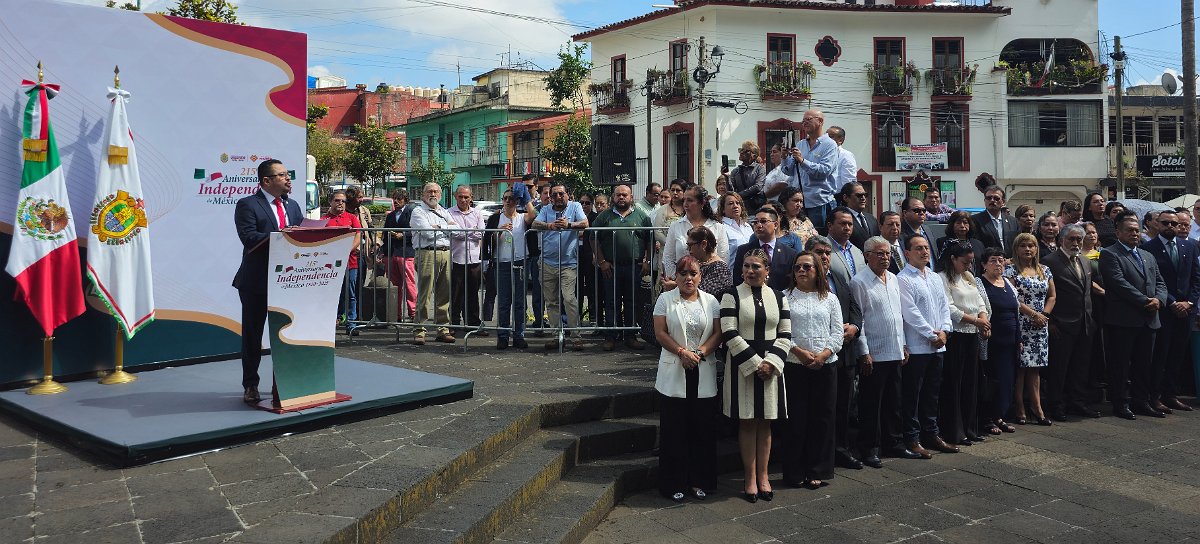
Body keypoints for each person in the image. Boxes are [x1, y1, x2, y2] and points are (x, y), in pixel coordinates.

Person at [721, 248, 791, 503]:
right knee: (748, 421)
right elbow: (729, 332)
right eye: (746, 266)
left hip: (772, 367)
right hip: (743, 367)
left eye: (756, 267)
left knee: (766, 422)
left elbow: (785, 333)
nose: (750, 271)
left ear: (767, 270)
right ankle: (749, 478)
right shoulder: (731, 295)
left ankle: (764, 476)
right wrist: (755, 363)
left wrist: (771, 363)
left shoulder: (779, 297)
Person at [653, 255, 722, 502]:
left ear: (700, 276)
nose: (688, 278)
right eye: (683, 274)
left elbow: (718, 333)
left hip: (702, 368)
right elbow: (660, 333)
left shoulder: (711, 301)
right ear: (676, 276)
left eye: (693, 273)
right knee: (674, 431)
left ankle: (699, 481)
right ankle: (673, 483)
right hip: (675, 368)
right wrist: (682, 352)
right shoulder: (665, 299)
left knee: (702, 430)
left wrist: (700, 353)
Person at [233, 159, 303, 404]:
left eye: (287, 173)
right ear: (266, 181)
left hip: (287, 282)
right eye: (282, 175)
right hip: (256, 282)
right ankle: (250, 384)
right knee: (253, 336)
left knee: (285, 335)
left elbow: (301, 237)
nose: (288, 178)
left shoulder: (293, 205)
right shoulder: (248, 204)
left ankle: (284, 382)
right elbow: (249, 238)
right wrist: (281, 236)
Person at [851, 236, 918, 466]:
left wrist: (904, 344)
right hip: (874, 352)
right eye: (879, 253)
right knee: (871, 404)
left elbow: (898, 315)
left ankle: (894, 443)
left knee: (894, 402)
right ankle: (869, 448)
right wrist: (864, 352)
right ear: (867, 256)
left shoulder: (893, 278)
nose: (885, 257)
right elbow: (859, 320)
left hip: (895, 349)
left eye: (888, 253)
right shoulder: (859, 282)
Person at [780, 251, 843, 489]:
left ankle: (817, 469)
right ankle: (794, 472)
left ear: (817, 271)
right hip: (795, 364)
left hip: (825, 365)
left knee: (822, 419)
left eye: (807, 267)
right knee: (795, 420)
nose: (801, 271)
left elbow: (837, 332)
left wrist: (825, 353)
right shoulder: (784, 297)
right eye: (797, 267)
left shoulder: (830, 298)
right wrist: (798, 351)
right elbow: (780, 332)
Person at [1100, 212, 1168, 420]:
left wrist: (1159, 300)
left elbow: (1160, 282)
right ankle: (1120, 403)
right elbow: (1118, 283)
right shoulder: (1110, 254)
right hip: (1124, 319)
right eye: (1129, 230)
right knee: (1120, 365)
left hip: (1149, 320)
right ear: (1118, 232)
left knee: (1144, 364)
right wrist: (1145, 301)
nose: (1134, 234)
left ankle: (1141, 401)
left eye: (1137, 231)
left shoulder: (1147, 255)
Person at [806, 234, 864, 470]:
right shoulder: (801, 281)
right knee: (819, 409)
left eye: (827, 253)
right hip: (817, 355)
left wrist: (855, 327)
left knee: (842, 407)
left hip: (845, 353)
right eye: (819, 252)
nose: (824, 257)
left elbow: (854, 308)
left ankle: (841, 450)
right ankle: (817, 455)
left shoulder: (838, 277)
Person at [897, 234, 956, 458]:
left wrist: (945, 331)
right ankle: (912, 438)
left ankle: (932, 434)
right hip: (918, 347)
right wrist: (932, 334)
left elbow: (944, 306)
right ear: (907, 253)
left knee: (932, 394)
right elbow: (910, 313)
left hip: (938, 345)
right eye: (918, 248)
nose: (924, 252)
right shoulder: (903, 279)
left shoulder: (934, 277)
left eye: (926, 248)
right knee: (913, 395)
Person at [1141, 209, 1200, 413]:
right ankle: (1155, 396)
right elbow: (1153, 281)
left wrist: (1189, 303)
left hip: (1186, 310)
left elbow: (1196, 278)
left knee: (1177, 355)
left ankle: (1171, 394)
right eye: (1165, 223)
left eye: (1174, 224)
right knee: (1161, 355)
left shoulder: (1190, 246)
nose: (1170, 227)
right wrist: (1173, 302)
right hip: (1164, 310)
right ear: (1157, 224)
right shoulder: (1148, 248)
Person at [1042, 224, 1101, 420]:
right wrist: (1050, 322)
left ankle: (1078, 402)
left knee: (1081, 367)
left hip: (1085, 323)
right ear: (1062, 240)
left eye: (1079, 239)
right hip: (1061, 324)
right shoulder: (1049, 262)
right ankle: (1056, 405)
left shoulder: (1085, 261)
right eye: (1072, 239)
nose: (1076, 243)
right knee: (1059, 368)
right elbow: (1046, 295)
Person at [938, 241, 989, 446]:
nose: (968, 266)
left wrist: (983, 320)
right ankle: (955, 431)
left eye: (970, 262)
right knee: (955, 383)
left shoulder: (968, 276)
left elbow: (980, 302)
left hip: (972, 334)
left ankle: (970, 427)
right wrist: (976, 321)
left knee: (971, 382)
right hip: (957, 335)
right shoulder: (942, 278)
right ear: (952, 259)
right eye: (964, 262)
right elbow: (950, 308)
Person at [591, 184, 652, 352]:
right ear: (613, 197)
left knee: (632, 301)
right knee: (611, 302)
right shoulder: (604, 216)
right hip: (611, 267)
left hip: (634, 266)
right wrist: (602, 261)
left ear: (631, 197)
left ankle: (630, 336)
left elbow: (649, 239)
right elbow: (593, 237)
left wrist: (647, 261)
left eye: (625, 195)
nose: (621, 197)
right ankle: (611, 336)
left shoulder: (642, 216)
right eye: (618, 195)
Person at [1006, 233, 1056, 426]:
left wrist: (1044, 315)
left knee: (1035, 368)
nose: (1028, 249)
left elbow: (1052, 296)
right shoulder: (1010, 270)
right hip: (1021, 323)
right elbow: (1012, 298)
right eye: (1023, 246)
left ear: (1036, 249)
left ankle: (1037, 408)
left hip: (1040, 325)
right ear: (1016, 249)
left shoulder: (1044, 270)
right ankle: (1019, 407)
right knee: (1021, 368)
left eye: (1031, 245)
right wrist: (1033, 315)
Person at [481, 188, 536, 350]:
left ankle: (519, 335)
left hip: (520, 261)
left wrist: (526, 197)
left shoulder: (522, 217)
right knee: (504, 302)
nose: (508, 201)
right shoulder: (495, 218)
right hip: (502, 262)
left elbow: (534, 216)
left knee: (519, 302)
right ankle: (503, 336)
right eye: (505, 198)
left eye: (511, 198)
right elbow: (488, 241)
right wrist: (499, 232)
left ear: (517, 201)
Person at [977, 248, 1021, 434]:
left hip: (1010, 342)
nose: (998, 264)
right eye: (993, 260)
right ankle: (987, 419)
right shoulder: (979, 283)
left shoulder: (1007, 283)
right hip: (992, 342)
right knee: (992, 381)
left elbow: (1016, 312)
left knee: (1007, 382)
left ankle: (999, 416)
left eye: (1001, 260)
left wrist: (1018, 339)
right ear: (984, 265)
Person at [409, 183, 456, 345]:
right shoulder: (418, 211)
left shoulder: (443, 211)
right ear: (423, 194)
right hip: (427, 252)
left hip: (445, 252)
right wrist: (446, 228)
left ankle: (443, 329)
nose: (433, 194)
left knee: (444, 293)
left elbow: (457, 230)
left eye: (436, 191)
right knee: (425, 293)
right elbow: (428, 233)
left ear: (440, 194)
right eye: (429, 191)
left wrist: (439, 226)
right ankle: (419, 330)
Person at [781, 109, 838, 231]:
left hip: (818, 203)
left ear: (820, 121)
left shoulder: (830, 145)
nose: (804, 123)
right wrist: (784, 158)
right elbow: (789, 171)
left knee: (818, 238)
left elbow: (824, 171)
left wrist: (802, 161)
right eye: (803, 121)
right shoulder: (801, 144)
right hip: (799, 204)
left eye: (808, 119)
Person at [662, 186, 729, 288]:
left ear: (702, 203)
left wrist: (700, 284)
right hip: (679, 284)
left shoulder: (717, 227)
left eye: (690, 200)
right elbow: (668, 257)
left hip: (711, 284)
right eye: (684, 200)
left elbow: (723, 257)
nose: (685, 204)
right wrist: (678, 281)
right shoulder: (676, 226)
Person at [321, 190, 363, 335]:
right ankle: (330, 323)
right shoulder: (323, 220)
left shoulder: (352, 218)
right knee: (331, 295)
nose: (340, 203)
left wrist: (346, 250)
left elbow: (358, 236)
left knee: (351, 294)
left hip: (350, 263)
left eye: (343, 201)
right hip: (330, 265)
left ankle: (351, 324)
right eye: (337, 200)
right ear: (330, 202)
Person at [731, 207, 799, 291]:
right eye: (755, 222)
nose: (759, 225)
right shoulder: (743, 250)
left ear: (775, 225)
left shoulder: (790, 254)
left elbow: (791, 283)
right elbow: (737, 280)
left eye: (763, 221)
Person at [448, 185, 486, 334]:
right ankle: (454, 323)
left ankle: (473, 323)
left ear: (471, 197)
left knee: (473, 294)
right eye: (460, 196)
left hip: (474, 260)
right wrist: (471, 231)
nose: (463, 200)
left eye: (466, 197)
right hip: (457, 259)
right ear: (455, 197)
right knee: (455, 294)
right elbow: (452, 233)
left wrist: (463, 232)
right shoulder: (449, 213)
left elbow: (481, 233)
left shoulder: (477, 213)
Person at [383, 189, 418, 321]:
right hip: (391, 253)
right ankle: (396, 313)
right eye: (394, 199)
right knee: (394, 285)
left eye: (399, 199)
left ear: (405, 200)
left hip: (406, 252)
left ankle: (413, 313)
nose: (396, 201)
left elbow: (416, 230)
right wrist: (383, 252)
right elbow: (385, 234)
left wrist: (403, 235)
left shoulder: (412, 213)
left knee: (409, 284)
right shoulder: (390, 216)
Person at [652, 179, 688, 284]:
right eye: (672, 190)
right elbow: (657, 232)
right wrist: (672, 243)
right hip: (667, 251)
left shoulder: (689, 208)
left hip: (687, 251)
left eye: (678, 190)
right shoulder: (663, 209)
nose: (675, 193)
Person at [971, 185, 1019, 255]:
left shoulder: (1013, 222)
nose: (992, 200)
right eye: (989, 198)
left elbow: (1017, 244)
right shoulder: (975, 220)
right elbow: (976, 246)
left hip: (1010, 260)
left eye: (996, 198)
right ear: (985, 201)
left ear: (1003, 202)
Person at [687, 226, 732, 296]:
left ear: (703, 244)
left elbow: (705, 295)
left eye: (690, 245)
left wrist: (677, 286)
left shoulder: (720, 268)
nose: (688, 249)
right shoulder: (698, 263)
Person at [826, 207, 866, 281]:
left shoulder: (858, 252)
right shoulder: (822, 251)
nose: (847, 228)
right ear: (830, 226)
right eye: (843, 224)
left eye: (850, 224)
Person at [729, 141, 767, 212]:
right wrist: (726, 177)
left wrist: (739, 195)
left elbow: (758, 187)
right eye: (741, 150)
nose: (741, 152)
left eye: (746, 151)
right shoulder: (735, 171)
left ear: (754, 156)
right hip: (741, 207)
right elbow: (731, 190)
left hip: (756, 207)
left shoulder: (760, 169)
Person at [840, 182, 878, 249]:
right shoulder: (840, 218)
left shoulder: (871, 218)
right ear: (846, 197)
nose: (863, 198)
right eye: (859, 195)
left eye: (865, 195)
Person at [826, 126, 858, 191]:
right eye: (825, 136)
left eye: (831, 136)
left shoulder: (846, 156)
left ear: (840, 140)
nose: (826, 139)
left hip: (837, 195)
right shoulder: (821, 153)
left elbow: (849, 182)